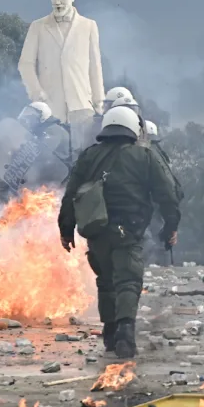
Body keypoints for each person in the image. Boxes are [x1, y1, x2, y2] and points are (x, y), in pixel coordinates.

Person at [58, 107, 181, 358]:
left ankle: (110, 333)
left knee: (105, 280)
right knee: (127, 280)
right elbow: (168, 195)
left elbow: (71, 195)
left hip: (96, 231)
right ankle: (125, 332)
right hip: (129, 231)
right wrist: (170, 226)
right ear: (133, 129)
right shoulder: (144, 157)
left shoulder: (89, 156)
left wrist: (66, 229)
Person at [18, 0, 104, 154]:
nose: (57, 2)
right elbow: (25, 64)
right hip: (50, 109)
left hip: (82, 105)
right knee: (51, 161)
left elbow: (95, 67)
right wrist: (37, 93)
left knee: (84, 157)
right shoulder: (38, 27)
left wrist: (99, 102)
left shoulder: (89, 26)